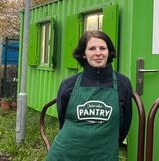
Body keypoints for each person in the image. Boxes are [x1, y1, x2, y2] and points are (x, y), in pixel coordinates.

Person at [46, 31, 133, 161]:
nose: (98, 53)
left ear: (109, 52)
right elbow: (63, 121)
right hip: (65, 155)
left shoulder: (123, 83)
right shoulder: (68, 84)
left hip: (104, 155)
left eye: (102, 48)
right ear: (84, 54)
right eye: (92, 48)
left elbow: (125, 124)